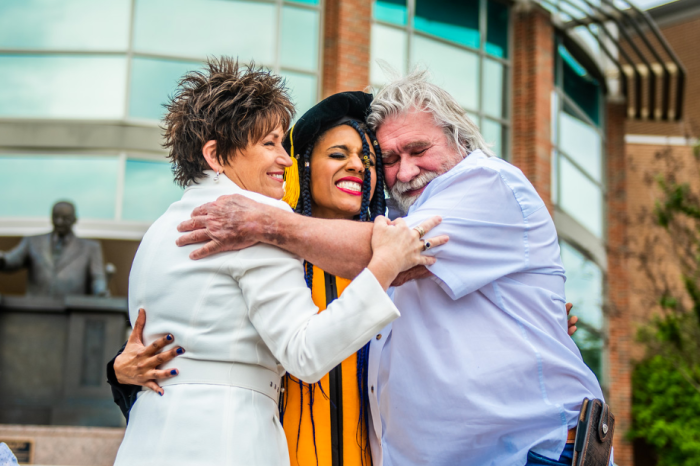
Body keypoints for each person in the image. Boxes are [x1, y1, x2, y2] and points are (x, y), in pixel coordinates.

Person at [174, 68, 608, 466]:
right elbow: (211, 329)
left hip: (527, 455)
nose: (404, 171)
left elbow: (390, 257)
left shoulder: (486, 185)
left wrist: (265, 221)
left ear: (461, 141)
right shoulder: (289, 255)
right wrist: (124, 371)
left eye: (418, 150)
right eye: (389, 159)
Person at [112, 59, 443, 466]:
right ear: (216, 155)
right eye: (270, 144)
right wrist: (385, 264)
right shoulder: (248, 226)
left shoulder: (159, 230)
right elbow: (304, 354)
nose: (284, 160)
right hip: (230, 440)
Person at [0, 201, 107, 297]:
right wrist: (2, 259)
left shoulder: (90, 248)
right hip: (36, 311)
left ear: (74, 220)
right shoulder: (32, 242)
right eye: (56, 217)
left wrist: (101, 291)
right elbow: (11, 260)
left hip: (72, 311)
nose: (59, 222)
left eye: (65, 218)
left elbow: (98, 278)